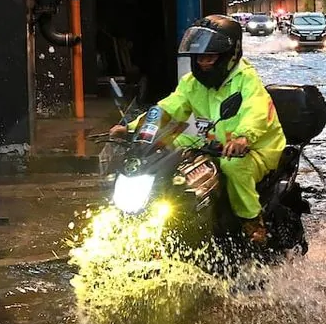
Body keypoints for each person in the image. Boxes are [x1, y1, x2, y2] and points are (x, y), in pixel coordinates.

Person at [110, 14, 286, 243]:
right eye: (199, 57)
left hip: (254, 148)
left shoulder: (247, 81)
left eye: (209, 57)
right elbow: (168, 108)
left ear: (228, 56)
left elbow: (257, 112)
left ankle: (251, 221)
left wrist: (244, 137)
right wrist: (134, 128)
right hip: (213, 143)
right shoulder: (192, 84)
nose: (203, 63)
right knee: (166, 152)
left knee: (233, 167)